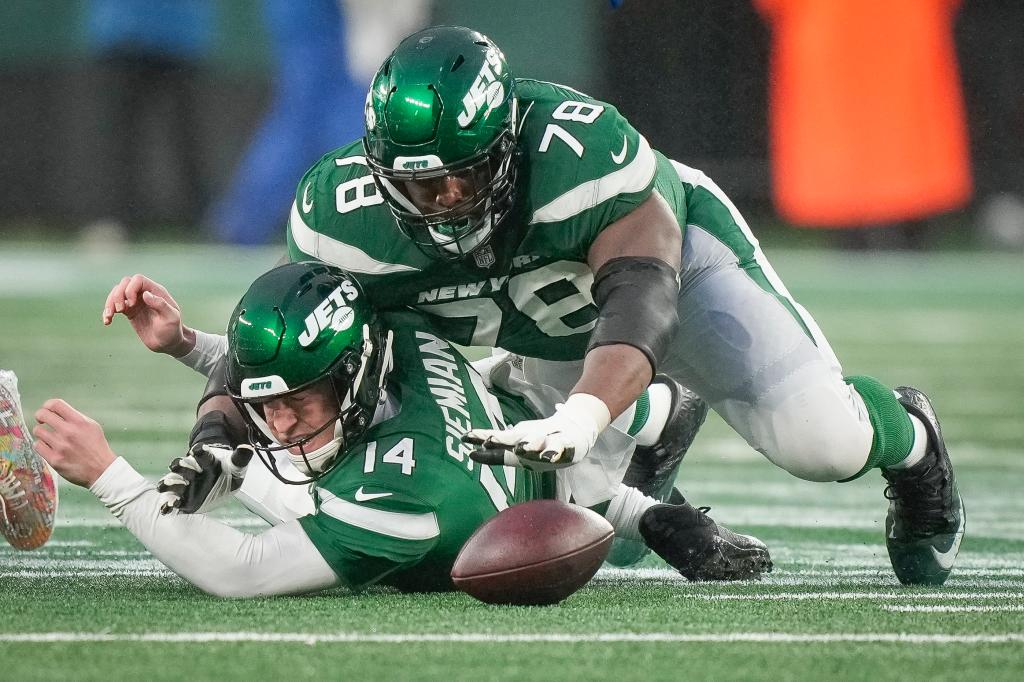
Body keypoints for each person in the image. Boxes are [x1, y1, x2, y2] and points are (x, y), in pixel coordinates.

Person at [109, 26, 964, 586]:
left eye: (458, 175)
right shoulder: (343, 220)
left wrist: (591, 412)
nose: (440, 201)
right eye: (414, 182)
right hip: (530, 327)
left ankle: (912, 439)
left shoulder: (580, 152)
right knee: (575, 530)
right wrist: (216, 437)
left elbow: (640, 298)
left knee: (821, 444)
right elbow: (294, 350)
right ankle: (656, 427)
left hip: (666, 275)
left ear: (507, 144)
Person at [41, 262, 769, 598]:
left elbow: (240, 569)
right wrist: (187, 345)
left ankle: (653, 413)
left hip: (521, 481)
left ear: (353, 374)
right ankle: (645, 485)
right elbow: (276, 382)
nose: (281, 421)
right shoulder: (388, 335)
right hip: (515, 451)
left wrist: (111, 479)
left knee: (543, 355)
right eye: (268, 403)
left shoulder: (408, 499)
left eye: (300, 399)